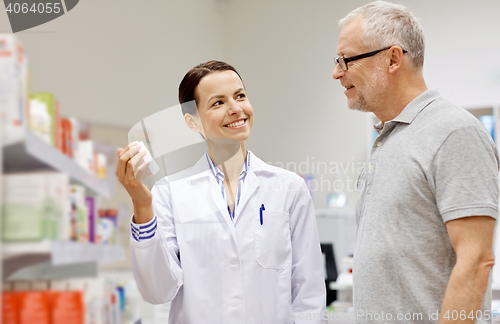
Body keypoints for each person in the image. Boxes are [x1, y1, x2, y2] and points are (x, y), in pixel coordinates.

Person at [116, 60, 327, 324]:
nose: (236, 109)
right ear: (192, 122)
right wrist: (142, 205)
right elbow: (158, 291)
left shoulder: (288, 188)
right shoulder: (170, 192)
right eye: (218, 103)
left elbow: (309, 291)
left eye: (240, 96)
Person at [332, 1, 498, 323]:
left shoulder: (454, 132)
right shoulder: (389, 138)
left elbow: (476, 259)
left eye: (346, 60)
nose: (337, 72)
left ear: (392, 59)